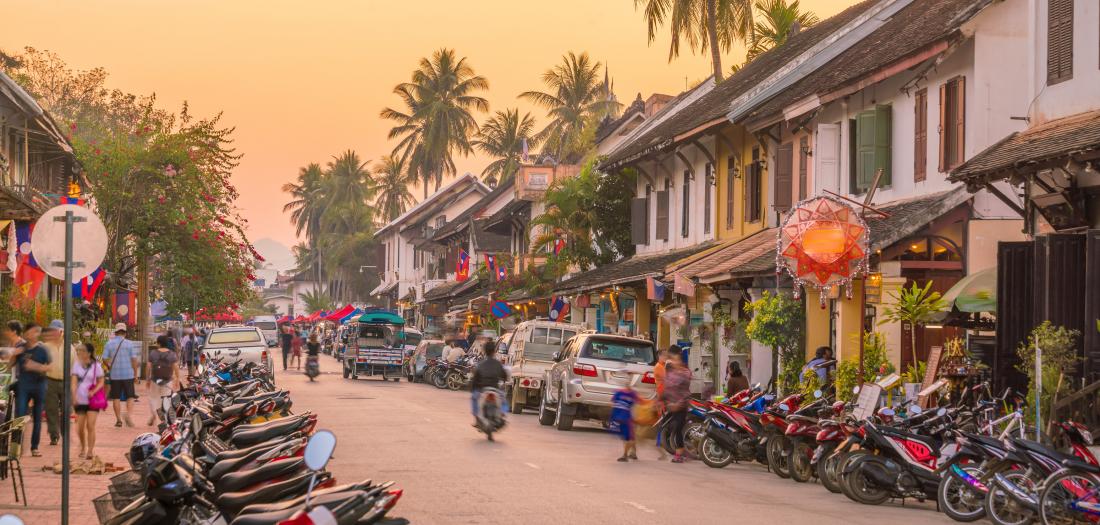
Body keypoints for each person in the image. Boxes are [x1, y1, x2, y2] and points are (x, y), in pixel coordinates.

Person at [11, 322, 50, 456]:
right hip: (23, 386)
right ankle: (15, 447)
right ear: (26, 333)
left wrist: (35, 366)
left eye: (37, 332)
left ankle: (34, 447)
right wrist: (14, 354)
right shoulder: (21, 348)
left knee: (37, 417)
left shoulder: (42, 350)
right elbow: (9, 365)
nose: (35, 335)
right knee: (19, 415)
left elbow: (49, 367)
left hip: (39, 386)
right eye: (33, 332)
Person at [71, 342, 105, 459]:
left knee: (90, 425)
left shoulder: (96, 366)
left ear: (89, 353)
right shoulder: (76, 365)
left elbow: (101, 381)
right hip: (80, 400)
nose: (80, 352)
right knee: (80, 427)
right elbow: (74, 382)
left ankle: (90, 450)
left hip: (92, 400)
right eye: (79, 351)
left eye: (82, 351)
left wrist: (94, 391)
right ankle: (82, 446)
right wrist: (73, 396)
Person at [102, 323, 139, 427]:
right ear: (125, 333)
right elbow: (134, 360)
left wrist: (109, 365)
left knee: (116, 397)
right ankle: (128, 415)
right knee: (130, 396)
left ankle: (118, 420)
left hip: (115, 374)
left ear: (116, 333)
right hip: (128, 374)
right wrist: (135, 375)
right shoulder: (130, 344)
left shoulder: (109, 343)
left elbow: (104, 358)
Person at [42, 319, 72, 446]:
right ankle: (54, 435)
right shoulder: (45, 347)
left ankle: (65, 434)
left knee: (67, 409)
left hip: (66, 381)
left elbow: (74, 365)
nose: (54, 333)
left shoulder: (69, 347)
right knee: (51, 410)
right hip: (50, 381)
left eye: (57, 330)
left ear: (62, 332)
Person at [661, 348, 693, 463]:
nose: (674, 362)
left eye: (675, 360)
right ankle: (682, 451)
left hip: (681, 406)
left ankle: (679, 455)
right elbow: (667, 389)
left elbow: (685, 392)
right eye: (672, 359)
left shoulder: (685, 373)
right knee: (670, 427)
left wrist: (678, 404)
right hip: (671, 406)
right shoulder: (671, 374)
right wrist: (662, 400)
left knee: (677, 428)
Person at [469, 341, 508, 427]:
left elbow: (475, 379)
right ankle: (502, 414)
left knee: (474, 398)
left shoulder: (480, 364)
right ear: (494, 351)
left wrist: (473, 388)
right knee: (504, 401)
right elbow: (504, 376)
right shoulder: (498, 364)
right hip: (495, 389)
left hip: (482, 389)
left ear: (484, 351)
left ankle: (476, 418)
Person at [146, 335, 180, 426]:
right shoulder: (172, 354)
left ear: (159, 343)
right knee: (166, 399)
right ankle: (165, 419)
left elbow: (148, 366)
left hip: (155, 380)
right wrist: (177, 379)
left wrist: (147, 379)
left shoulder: (153, 353)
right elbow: (176, 367)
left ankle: (154, 415)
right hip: (168, 380)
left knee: (153, 398)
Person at [610, 383, 639, 462]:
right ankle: (633, 453)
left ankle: (625, 455)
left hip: (625, 418)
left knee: (628, 437)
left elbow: (612, 404)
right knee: (629, 437)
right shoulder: (623, 393)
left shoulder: (621, 393)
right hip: (622, 417)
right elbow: (612, 404)